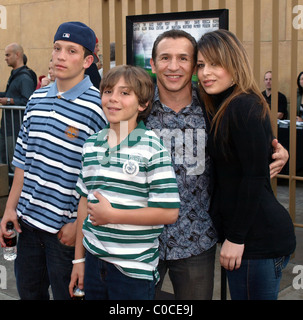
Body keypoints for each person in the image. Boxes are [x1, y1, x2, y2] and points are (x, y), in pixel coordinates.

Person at [146, 29, 289, 300]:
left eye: (184, 59)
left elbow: (253, 161)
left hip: (197, 241)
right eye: (165, 57)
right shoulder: (137, 106)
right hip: (142, 240)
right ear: (152, 64)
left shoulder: (214, 105)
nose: (174, 66)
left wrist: (276, 153)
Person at [0, 21, 107, 300]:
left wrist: (77, 227)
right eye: (57, 48)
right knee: (29, 294)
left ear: (87, 61)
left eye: (71, 51)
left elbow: (97, 178)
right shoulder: (36, 99)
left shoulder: (98, 108)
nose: (60, 56)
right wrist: (10, 209)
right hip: (28, 226)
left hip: (65, 233)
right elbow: (22, 162)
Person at [197, 29, 296, 300]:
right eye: (201, 65)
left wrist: (237, 238)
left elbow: (253, 178)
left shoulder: (244, 105)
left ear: (234, 63)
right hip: (250, 238)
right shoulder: (220, 103)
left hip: (257, 241)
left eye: (216, 64)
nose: (206, 73)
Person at [69, 65, 180, 300]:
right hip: (93, 260)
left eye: (125, 93)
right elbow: (83, 204)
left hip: (133, 271)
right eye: (108, 91)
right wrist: (78, 259)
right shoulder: (91, 145)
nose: (113, 99)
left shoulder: (152, 148)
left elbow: (169, 213)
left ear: (142, 104)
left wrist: (113, 216)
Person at [0, 43, 36, 167]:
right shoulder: (15, 75)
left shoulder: (24, 78)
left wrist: (9, 101)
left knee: (14, 164)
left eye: (8, 55)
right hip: (8, 127)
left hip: (16, 129)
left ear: (18, 55)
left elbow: (27, 101)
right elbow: (11, 94)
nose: (5, 58)